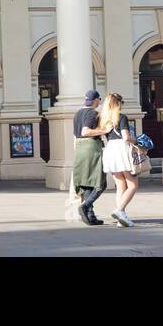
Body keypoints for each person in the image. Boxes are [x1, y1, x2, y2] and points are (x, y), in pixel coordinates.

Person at [98, 92, 139, 227]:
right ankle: (120, 211)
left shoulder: (104, 119)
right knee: (132, 185)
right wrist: (137, 141)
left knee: (120, 185)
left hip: (110, 150)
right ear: (118, 103)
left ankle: (121, 218)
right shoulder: (121, 118)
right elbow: (126, 137)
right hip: (121, 149)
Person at [71, 90, 108, 225]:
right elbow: (85, 131)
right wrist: (104, 131)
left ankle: (90, 215)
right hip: (91, 148)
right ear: (96, 100)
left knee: (87, 183)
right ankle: (86, 206)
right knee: (100, 183)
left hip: (80, 148)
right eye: (99, 100)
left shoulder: (78, 113)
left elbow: (77, 134)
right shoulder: (92, 113)